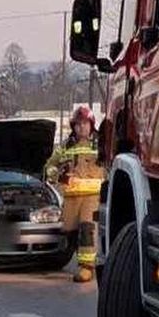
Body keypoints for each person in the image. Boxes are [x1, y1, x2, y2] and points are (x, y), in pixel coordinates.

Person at [45, 105, 105, 283]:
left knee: (87, 230)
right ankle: (81, 259)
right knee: (70, 232)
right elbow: (50, 166)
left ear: (91, 124)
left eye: (85, 123)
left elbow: (110, 163)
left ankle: (87, 268)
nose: (81, 127)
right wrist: (59, 175)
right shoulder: (65, 146)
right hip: (71, 197)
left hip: (92, 196)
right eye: (78, 124)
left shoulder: (100, 144)